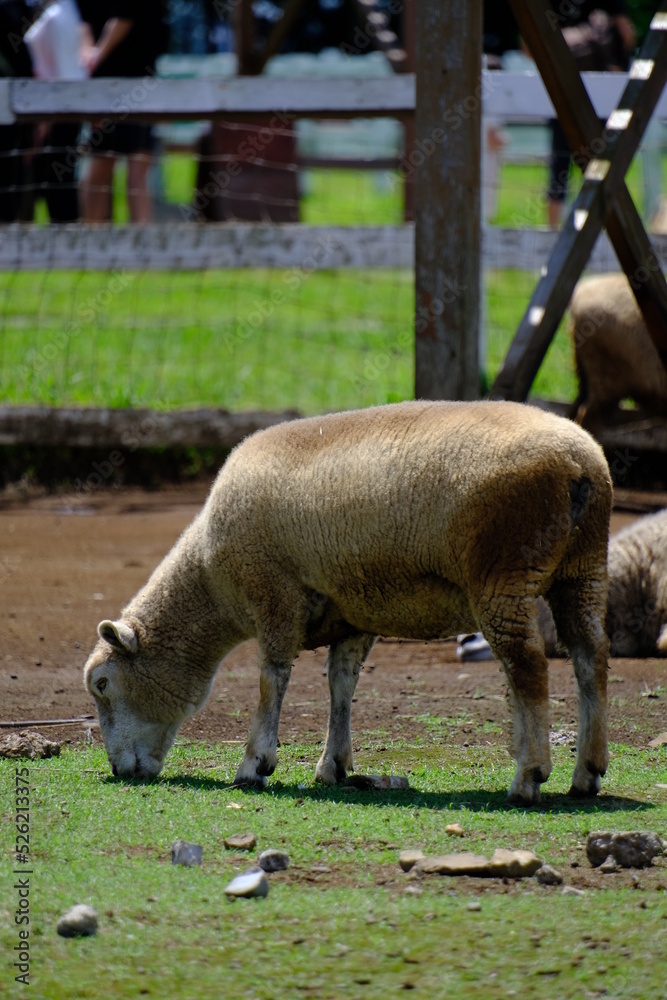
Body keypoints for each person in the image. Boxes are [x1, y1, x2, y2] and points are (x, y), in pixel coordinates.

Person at [546, 1, 636, 228]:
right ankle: (603, 227)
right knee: (601, 165)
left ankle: (552, 230)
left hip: (563, 92)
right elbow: (627, 35)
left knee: (559, 166)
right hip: (599, 99)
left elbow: (529, 45)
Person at [76, 1, 167, 222]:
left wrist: (94, 55)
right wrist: (90, 56)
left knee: (134, 172)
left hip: (136, 85)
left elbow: (124, 15)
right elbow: (84, 21)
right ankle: (90, 243)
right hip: (107, 87)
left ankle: (142, 248)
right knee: (103, 169)